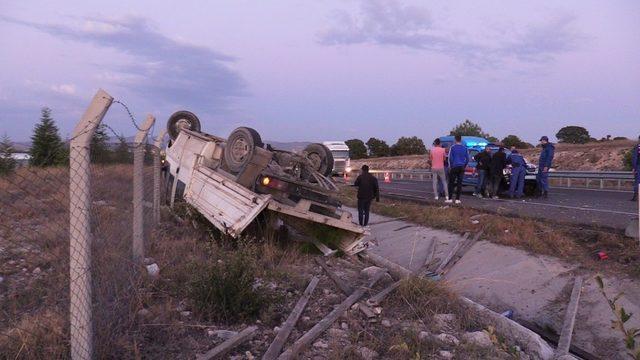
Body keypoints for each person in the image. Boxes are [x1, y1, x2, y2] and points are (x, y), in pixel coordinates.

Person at [445, 135, 469, 204]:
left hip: (454, 167)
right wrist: (464, 166)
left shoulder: (452, 147)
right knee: (459, 183)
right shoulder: (465, 148)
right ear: (461, 140)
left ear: (455, 140)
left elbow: (450, 158)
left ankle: (450, 198)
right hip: (461, 167)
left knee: (451, 183)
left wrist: (450, 166)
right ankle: (457, 199)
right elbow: (467, 158)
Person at [632, 135, 640, 201]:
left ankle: (636, 196)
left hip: (639, 166)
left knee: (637, 181)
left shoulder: (637, 147)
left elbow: (635, 158)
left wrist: (634, 167)